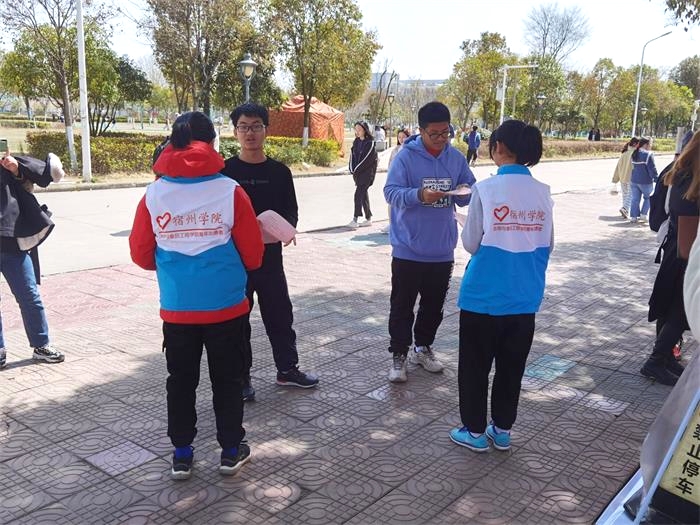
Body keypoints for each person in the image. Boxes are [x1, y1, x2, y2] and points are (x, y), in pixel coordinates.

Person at [129, 111, 264, 480]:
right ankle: (231, 450)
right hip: (226, 308)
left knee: (180, 380)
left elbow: (140, 253)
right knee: (228, 379)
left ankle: (182, 454)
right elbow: (254, 255)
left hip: (178, 309)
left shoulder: (154, 194)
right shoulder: (230, 191)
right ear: (212, 142)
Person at [449, 119, 554, 452]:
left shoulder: (486, 189)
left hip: (483, 296)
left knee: (475, 367)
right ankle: (503, 429)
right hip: (525, 297)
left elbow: (471, 243)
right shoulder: (543, 192)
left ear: (498, 148)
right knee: (512, 368)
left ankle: (475, 432)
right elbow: (548, 243)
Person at [222, 103, 319, 400]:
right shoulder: (225, 172)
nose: (249, 133)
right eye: (243, 127)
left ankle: (287, 369)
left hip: (270, 257)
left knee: (279, 314)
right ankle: (241, 379)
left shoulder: (279, 172)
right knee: (238, 321)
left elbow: (291, 211)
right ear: (235, 132)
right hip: (236, 259)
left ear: (266, 130)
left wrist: (286, 229)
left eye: (256, 126)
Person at [383, 101, 476, 383]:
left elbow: (470, 189)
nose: (440, 139)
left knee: (433, 307)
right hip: (408, 248)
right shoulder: (405, 157)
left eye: (445, 133)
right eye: (434, 133)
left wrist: (464, 193)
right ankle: (399, 354)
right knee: (402, 306)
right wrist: (419, 195)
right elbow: (391, 192)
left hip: (441, 249)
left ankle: (422, 348)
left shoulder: (456, 158)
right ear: (421, 131)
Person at [642, 130, 699, 386]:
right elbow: (687, 228)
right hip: (684, 253)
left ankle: (664, 359)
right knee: (679, 312)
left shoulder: (682, 173)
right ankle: (656, 361)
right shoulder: (689, 180)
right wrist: (691, 263)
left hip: (679, 250)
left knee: (672, 308)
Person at [0, 152, 66, 369]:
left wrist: (16, 169)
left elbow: (35, 180)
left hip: (10, 239)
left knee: (29, 295)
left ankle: (41, 345)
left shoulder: (6, 162)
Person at [347, 121, 378, 229]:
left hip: (367, 174)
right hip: (358, 174)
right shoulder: (356, 142)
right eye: (356, 129)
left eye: (359, 129)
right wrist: (352, 169)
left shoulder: (370, 143)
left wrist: (356, 169)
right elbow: (352, 156)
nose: (357, 131)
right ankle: (368, 218)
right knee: (363, 195)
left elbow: (367, 160)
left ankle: (355, 219)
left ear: (365, 130)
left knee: (358, 195)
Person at [381, 129, 410, 235]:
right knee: (391, 203)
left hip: (406, 182)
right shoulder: (395, 150)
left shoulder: (410, 150)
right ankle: (392, 224)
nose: (401, 139)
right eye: (399, 137)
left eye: (404, 137)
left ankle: (403, 225)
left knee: (404, 204)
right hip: (395, 180)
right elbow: (390, 164)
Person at [629, 138, 658, 223]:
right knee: (648, 198)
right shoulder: (648, 154)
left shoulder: (634, 153)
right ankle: (643, 215)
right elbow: (652, 169)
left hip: (634, 180)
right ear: (646, 144)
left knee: (635, 199)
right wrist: (656, 178)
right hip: (645, 181)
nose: (651, 146)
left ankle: (633, 217)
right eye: (650, 144)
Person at [611, 137, 639, 219]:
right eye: (639, 144)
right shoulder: (634, 154)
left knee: (625, 195)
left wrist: (615, 179)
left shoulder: (624, 153)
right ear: (635, 144)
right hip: (630, 178)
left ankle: (625, 211)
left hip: (622, 178)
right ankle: (625, 208)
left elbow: (618, 167)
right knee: (631, 195)